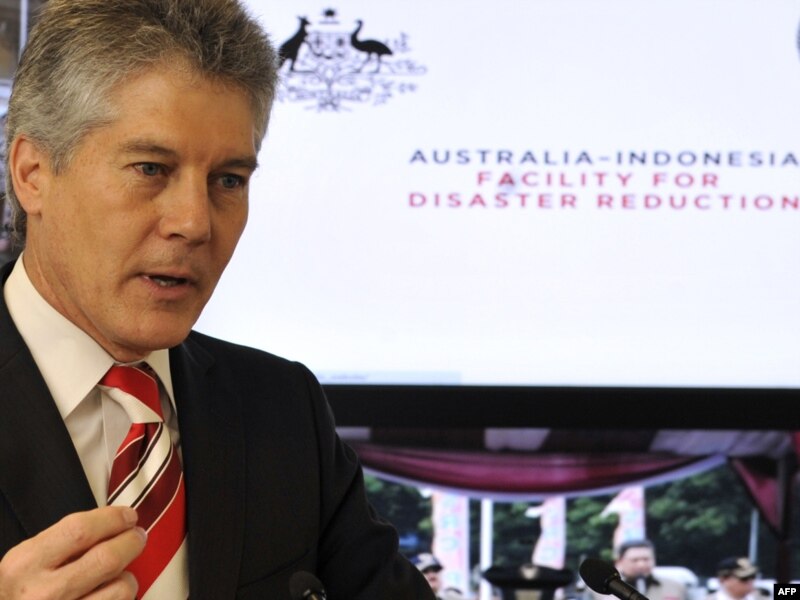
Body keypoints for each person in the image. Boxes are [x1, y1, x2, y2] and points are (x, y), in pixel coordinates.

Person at [0, 1, 434, 598]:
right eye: (151, 168)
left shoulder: (283, 409)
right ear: (33, 173)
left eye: (228, 180)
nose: (195, 223)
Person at [588, 539, 687, 600]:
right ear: (620, 562)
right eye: (635, 560)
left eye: (646, 559)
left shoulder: (675, 587)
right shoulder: (600, 590)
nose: (641, 564)